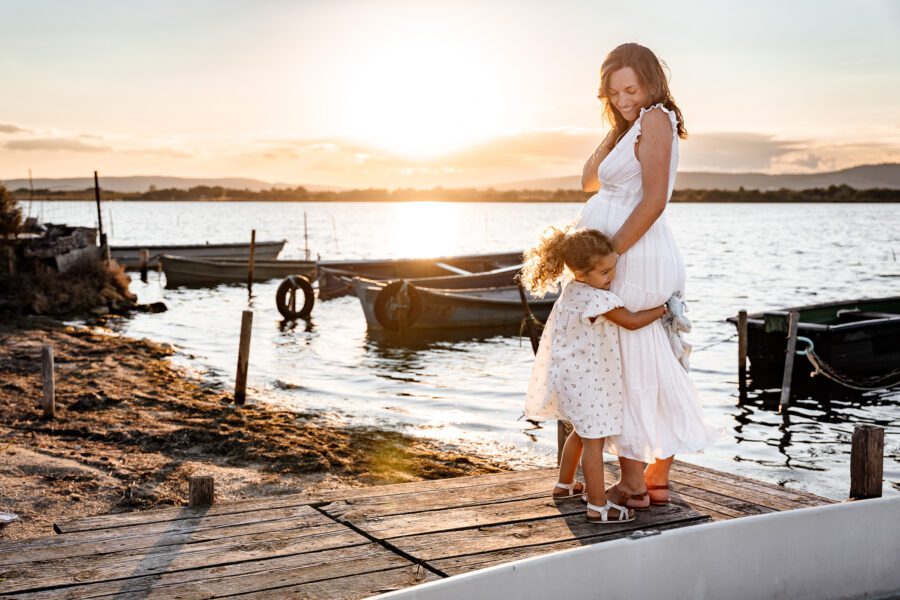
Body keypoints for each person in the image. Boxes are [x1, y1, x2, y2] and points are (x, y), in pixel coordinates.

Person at [578, 43, 718, 509]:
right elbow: (588, 181)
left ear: (653, 83)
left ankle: (635, 485)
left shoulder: (656, 118)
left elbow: (654, 200)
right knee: (647, 363)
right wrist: (617, 125)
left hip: (633, 252)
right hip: (627, 252)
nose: (622, 99)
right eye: (612, 93)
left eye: (630, 89)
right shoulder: (635, 124)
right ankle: (652, 482)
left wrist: (610, 255)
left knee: (634, 363)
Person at [520, 225, 667, 523]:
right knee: (593, 443)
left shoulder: (572, 291)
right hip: (587, 381)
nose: (612, 277)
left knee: (580, 432)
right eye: (605, 273)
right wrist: (661, 309)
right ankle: (599, 507)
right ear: (582, 273)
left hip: (569, 375)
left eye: (613, 269)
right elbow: (633, 321)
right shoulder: (596, 300)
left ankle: (564, 486)